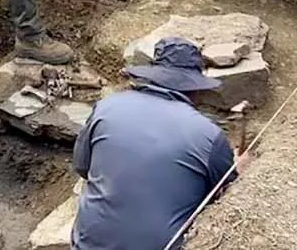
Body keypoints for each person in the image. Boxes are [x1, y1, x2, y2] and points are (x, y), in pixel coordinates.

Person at [70, 37, 247, 250]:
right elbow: (225, 195)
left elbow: (82, 167)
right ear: (195, 87)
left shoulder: (106, 107)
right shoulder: (209, 135)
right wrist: (241, 166)